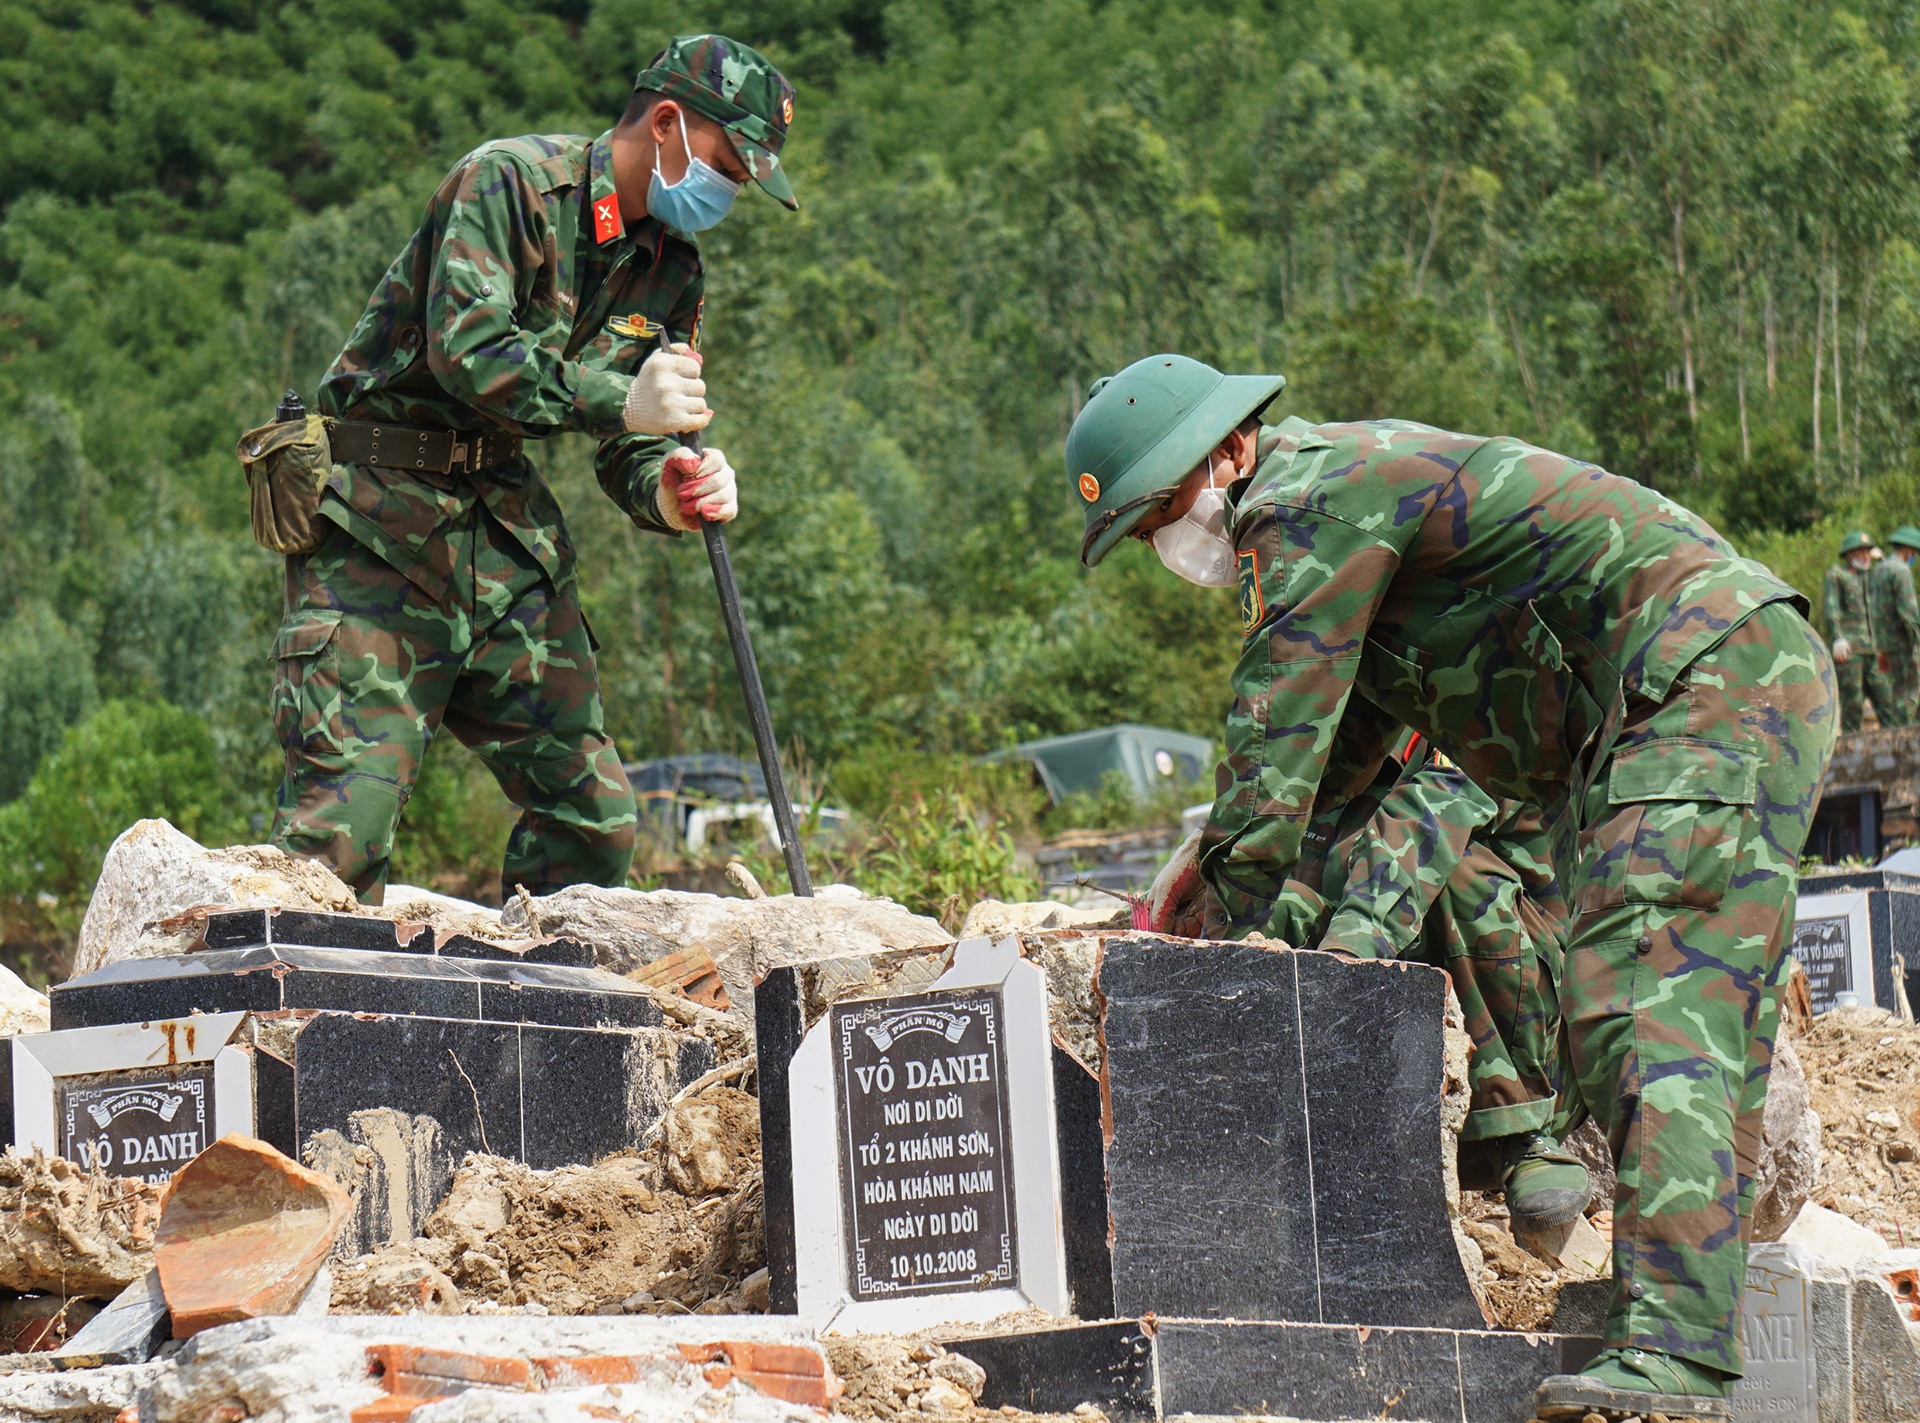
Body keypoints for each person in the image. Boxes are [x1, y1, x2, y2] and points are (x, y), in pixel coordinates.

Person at [1069, 354, 1836, 1422]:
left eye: (1158, 513)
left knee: (1642, 991)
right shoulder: (1364, 539)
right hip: (1721, 679)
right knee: (1694, 1009)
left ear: (1232, 451)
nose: (1165, 546)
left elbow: (1277, 720)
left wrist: (1221, 907)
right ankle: (1691, 1320)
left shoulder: (1307, 499)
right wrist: (1222, 877)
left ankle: (1675, 1352)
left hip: (1702, 680)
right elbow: (1333, 769)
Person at [270, 35, 798, 900]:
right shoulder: (509, 182)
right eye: (729, 164)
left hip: (500, 527)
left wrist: (667, 483)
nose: (733, 190)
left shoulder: (673, 271)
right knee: (342, 838)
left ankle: (545, 1018)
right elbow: (468, 354)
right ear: (666, 123)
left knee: (594, 820)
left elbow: (635, 436)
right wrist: (625, 405)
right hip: (378, 523)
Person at [1146, 729, 1589, 1232]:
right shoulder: (1337, 757)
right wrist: (1216, 891)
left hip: (1541, 1050)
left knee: (1460, 875)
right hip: (1398, 1074)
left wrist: (1339, 966)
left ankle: (1523, 1139)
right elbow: (1304, 893)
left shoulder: (1487, 723)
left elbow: (1417, 837)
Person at [1823, 530, 1900, 733]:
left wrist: (1883, 560)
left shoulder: (1873, 575)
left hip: (1874, 650)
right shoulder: (1837, 575)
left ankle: (1897, 751)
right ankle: (1850, 758)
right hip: (1851, 651)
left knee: (1887, 702)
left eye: (1868, 552)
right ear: (1849, 554)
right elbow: (1832, 609)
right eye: (1860, 553)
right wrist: (1837, 637)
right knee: (1852, 707)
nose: (1865, 557)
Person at [1873, 525, 1920, 726]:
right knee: (1909, 694)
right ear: (1909, 550)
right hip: (1903, 644)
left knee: (1896, 692)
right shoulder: (1901, 571)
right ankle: (1905, 741)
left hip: (1886, 643)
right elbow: (1908, 613)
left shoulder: (1879, 569)